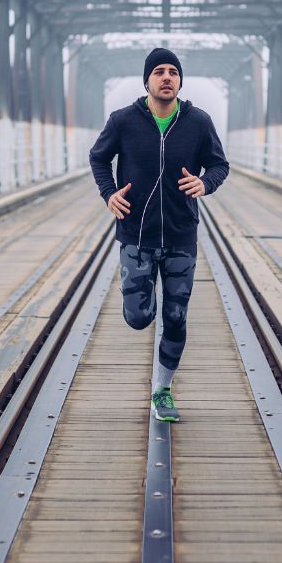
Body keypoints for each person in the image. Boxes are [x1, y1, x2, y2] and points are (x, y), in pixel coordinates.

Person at [89, 47, 230, 422]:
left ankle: (162, 391)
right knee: (139, 317)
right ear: (147, 81)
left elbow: (219, 164)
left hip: (182, 236)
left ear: (179, 81)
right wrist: (108, 193)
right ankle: (138, 293)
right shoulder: (123, 121)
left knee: (177, 316)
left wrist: (205, 183)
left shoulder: (198, 122)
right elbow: (98, 158)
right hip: (136, 234)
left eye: (173, 72)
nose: (166, 77)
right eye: (159, 72)